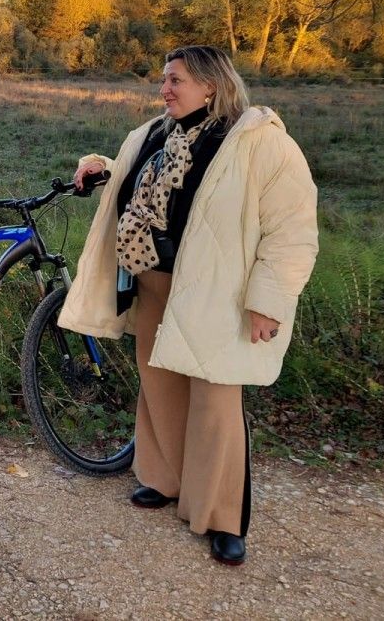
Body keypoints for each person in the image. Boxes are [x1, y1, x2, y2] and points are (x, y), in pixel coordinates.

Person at [59, 45, 317, 566]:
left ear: (211, 85)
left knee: (216, 400)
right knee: (159, 385)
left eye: (175, 80)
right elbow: (147, 188)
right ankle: (164, 479)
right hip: (154, 280)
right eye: (163, 80)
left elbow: (292, 228)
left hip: (219, 291)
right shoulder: (157, 134)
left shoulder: (258, 142)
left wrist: (269, 301)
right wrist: (104, 167)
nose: (165, 89)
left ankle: (221, 516)